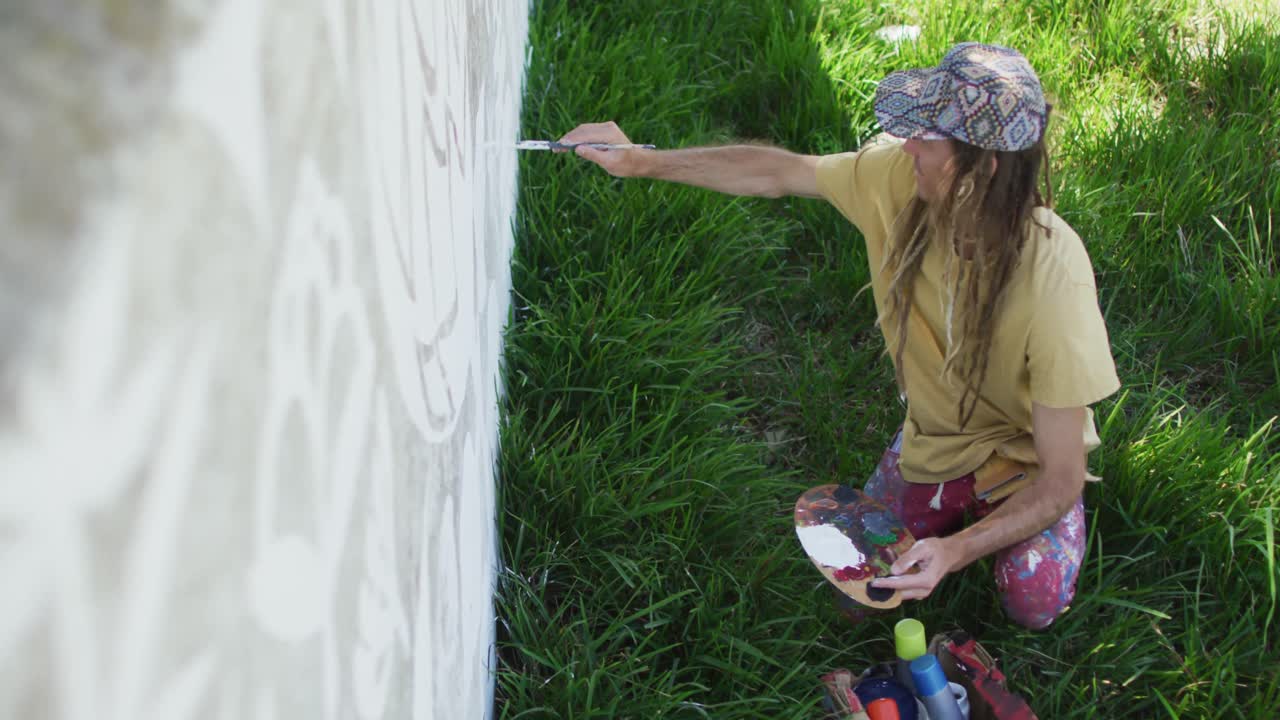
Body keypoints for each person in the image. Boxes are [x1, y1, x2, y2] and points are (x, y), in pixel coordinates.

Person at [558, 43, 1120, 630]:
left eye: (928, 137)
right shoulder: (896, 181)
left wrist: (954, 552)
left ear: (982, 169)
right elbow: (779, 171)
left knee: (1033, 600)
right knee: (859, 588)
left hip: (1027, 461)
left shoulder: (1054, 272)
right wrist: (642, 161)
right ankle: (928, 474)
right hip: (937, 439)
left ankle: (989, 524)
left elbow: (1061, 476)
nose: (908, 146)